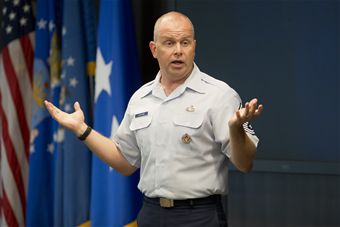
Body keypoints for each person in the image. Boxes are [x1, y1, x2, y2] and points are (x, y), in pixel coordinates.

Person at [45, 11, 263, 227]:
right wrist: (82, 129)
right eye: (169, 43)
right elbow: (124, 162)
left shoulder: (220, 95)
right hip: (151, 214)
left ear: (194, 47)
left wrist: (236, 128)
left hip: (198, 216)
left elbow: (244, 164)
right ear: (154, 49)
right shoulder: (140, 98)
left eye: (185, 43)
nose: (178, 51)